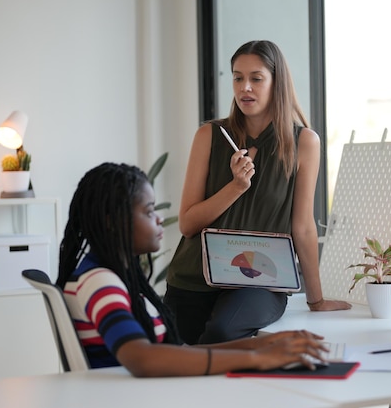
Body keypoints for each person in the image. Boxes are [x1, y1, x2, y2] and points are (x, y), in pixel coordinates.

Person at [55, 162, 328, 377]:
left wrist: (264, 345)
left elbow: (179, 352)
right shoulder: (100, 282)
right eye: (149, 212)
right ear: (112, 221)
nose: (159, 218)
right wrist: (258, 358)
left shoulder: (108, 276)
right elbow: (142, 359)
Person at [164, 40, 351, 345]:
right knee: (176, 363)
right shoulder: (208, 136)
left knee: (221, 334)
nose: (245, 87)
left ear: (277, 83)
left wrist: (316, 300)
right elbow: (187, 224)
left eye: (256, 78)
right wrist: (235, 187)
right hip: (193, 279)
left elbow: (302, 227)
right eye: (238, 78)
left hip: (259, 282)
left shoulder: (304, 142)